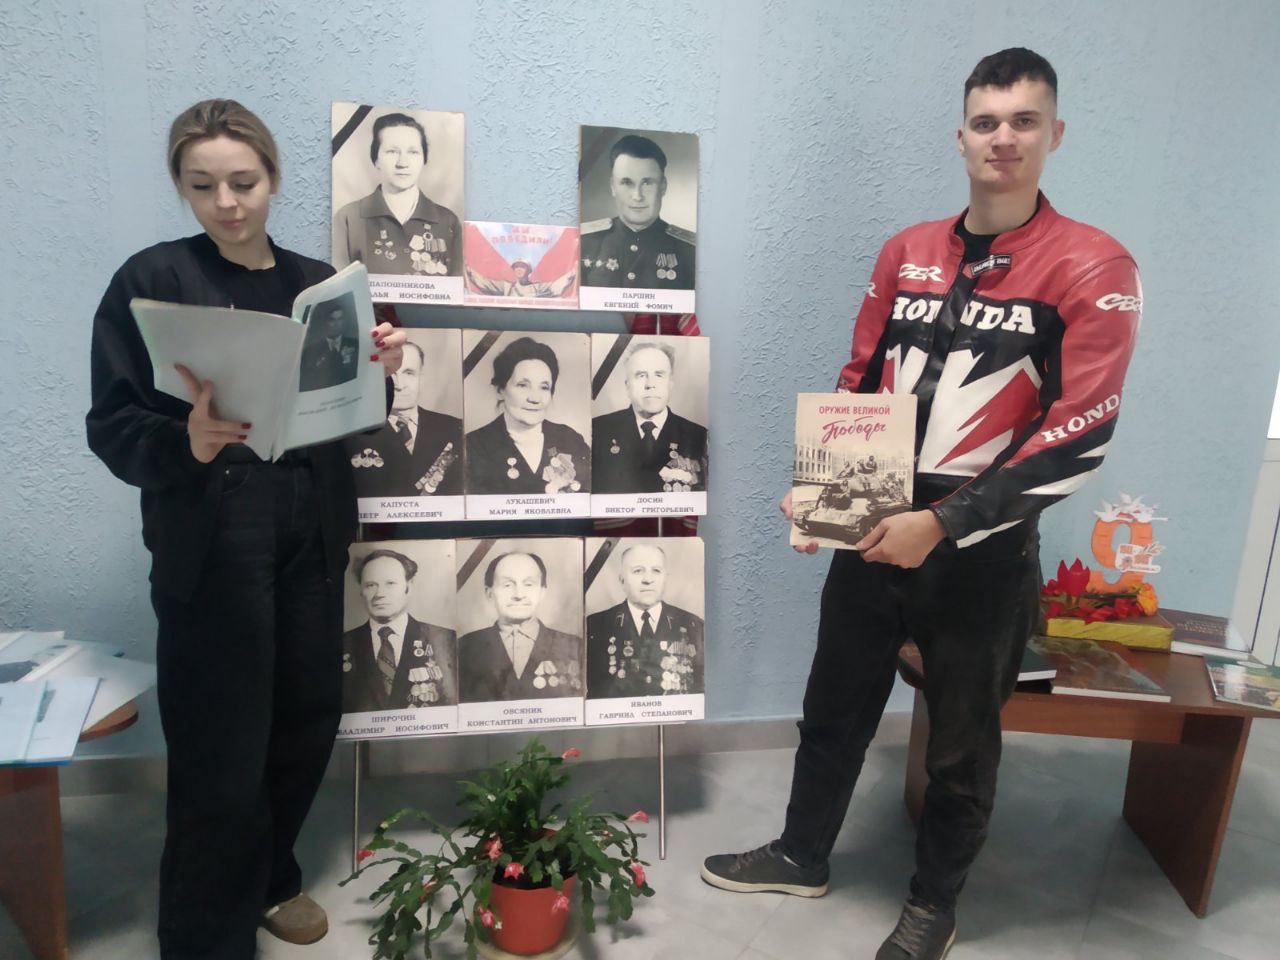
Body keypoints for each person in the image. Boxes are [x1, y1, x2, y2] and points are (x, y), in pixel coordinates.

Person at [701, 49, 1142, 960]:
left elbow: (1080, 434)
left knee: (960, 745)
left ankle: (934, 904)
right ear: (961, 137)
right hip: (870, 524)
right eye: (986, 122)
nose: (1003, 138)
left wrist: (941, 524)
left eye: (1024, 121)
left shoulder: (1094, 263)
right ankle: (800, 853)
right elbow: (860, 379)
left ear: (1055, 135)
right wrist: (819, 488)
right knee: (833, 709)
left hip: (981, 549)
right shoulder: (906, 250)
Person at [85, 99, 406, 959]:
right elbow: (111, 425)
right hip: (212, 534)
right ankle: (206, 935)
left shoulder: (316, 283)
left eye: (243, 182)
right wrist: (183, 440)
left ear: (273, 178)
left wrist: (380, 370)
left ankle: (269, 878)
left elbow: (351, 414)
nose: (225, 202)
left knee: (307, 715)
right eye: (202, 186)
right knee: (220, 736)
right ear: (181, 187)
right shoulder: (151, 281)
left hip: (310, 520)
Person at [332, 111, 462, 277]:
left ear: (424, 159)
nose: (402, 163)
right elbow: (340, 287)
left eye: (413, 152)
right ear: (376, 160)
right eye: (392, 151)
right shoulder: (348, 218)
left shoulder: (449, 221)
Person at [465, 336, 592, 494]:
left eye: (544, 387)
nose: (535, 398)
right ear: (500, 390)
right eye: (523, 385)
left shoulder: (571, 439)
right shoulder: (473, 446)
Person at [341, 549, 457, 712]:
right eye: (370, 585)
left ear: (408, 586)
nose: (379, 594)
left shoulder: (446, 639)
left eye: (390, 583)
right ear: (361, 591)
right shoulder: (343, 643)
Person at [458, 551, 583, 702]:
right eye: (507, 585)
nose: (518, 594)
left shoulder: (574, 646)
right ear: (489, 593)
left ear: (542, 592)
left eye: (529, 584)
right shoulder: (463, 648)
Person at [586, 543, 704, 698]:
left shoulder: (693, 625)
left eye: (656, 570)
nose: (648, 579)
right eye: (638, 571)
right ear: (622, 580)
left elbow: (700, 691)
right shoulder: (595, 626)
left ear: (665, 579)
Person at [348, 339, 463, 497]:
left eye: (409, 373)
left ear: (421, 378)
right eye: (390, 374)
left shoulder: (454, 428)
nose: (400, 385)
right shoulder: (354, 433)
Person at [580, 134, 695, 289]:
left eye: (647, 183)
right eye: (627, 182)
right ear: (613, 186)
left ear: (663, 187)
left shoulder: (691, 251)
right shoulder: (584, 242)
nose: (637, 196)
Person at [592, 341, 708, 493]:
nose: (650, 384)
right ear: (627, 386)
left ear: (670, 384)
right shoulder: (597, 430)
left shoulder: (699, 437)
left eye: (659, 375)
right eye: (641, 375)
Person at [298, 294, 360, 392]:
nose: (337, 324)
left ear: (344, 321)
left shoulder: (355, 345)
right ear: (325, 322)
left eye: (340, 319)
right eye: (332, 320)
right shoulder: (311, 350)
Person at [464, 258, 577, 299]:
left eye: (522, 267)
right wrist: (468, 270)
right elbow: (485, 283)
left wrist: (573, 272)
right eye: (516, 267)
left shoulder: (537, 287)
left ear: (528, 270)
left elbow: (556, 287)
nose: (519, 269)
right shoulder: (506, 287)